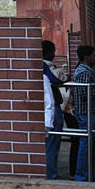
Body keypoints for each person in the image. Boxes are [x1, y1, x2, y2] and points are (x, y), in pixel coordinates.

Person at [72, 45, 95, 182]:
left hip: (85, 112)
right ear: (86, 57)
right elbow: (85, 93)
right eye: (94, 55)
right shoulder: (84, 72)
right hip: (85, 112)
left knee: (87, 143)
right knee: (85, 144)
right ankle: (82, 175)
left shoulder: (85, 70)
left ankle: (86, 174)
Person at [41, 40, 66, 180]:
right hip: (51, 109)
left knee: (50, 144)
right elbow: (59, 78)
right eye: (53, 51)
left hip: (47, 108)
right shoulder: (45, 65)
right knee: (52, 144)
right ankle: (51, 175)